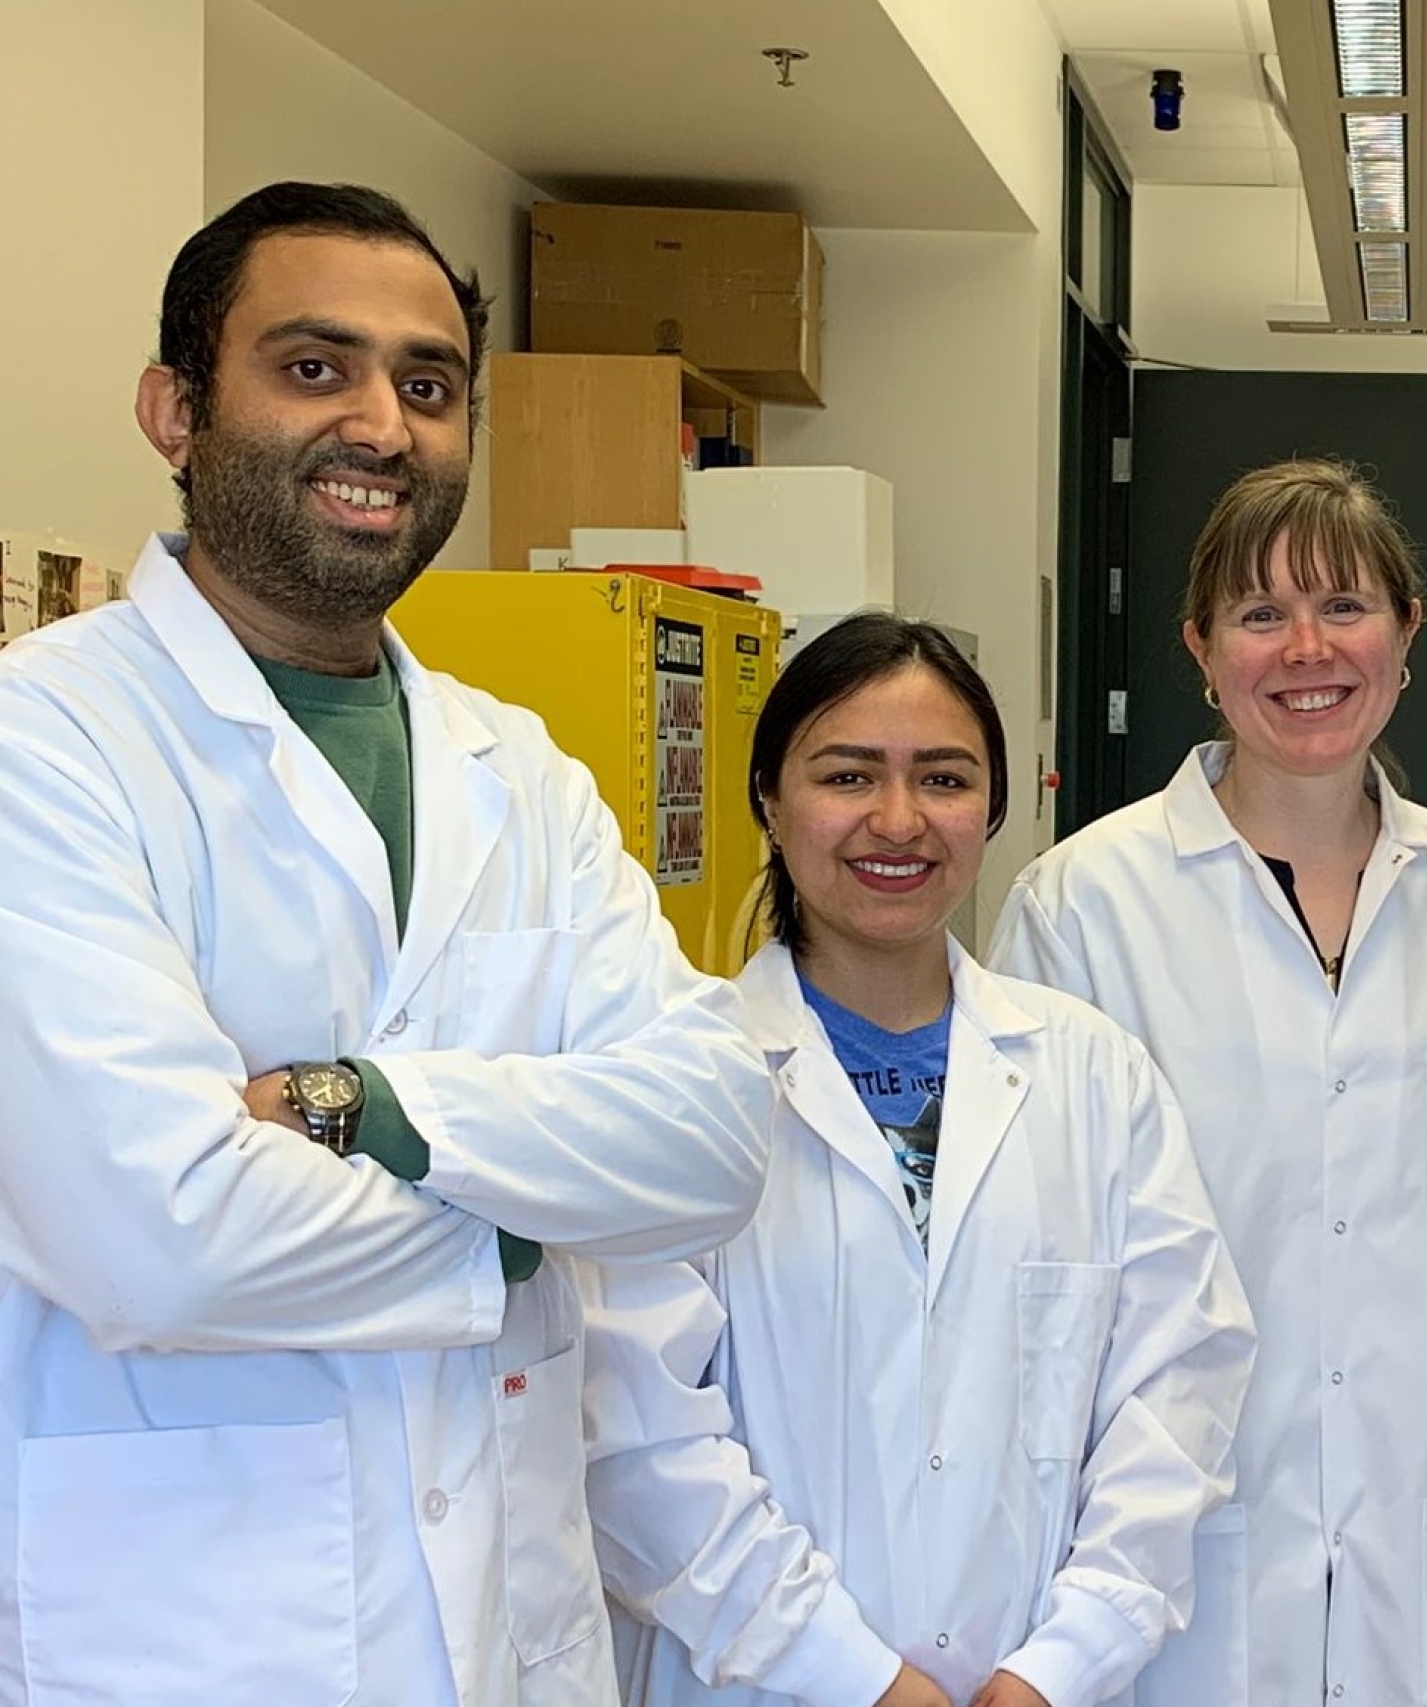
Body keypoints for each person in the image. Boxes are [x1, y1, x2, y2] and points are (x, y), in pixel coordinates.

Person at [0, 182, 774, 1706]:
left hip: (511, 1630)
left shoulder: (523, 774)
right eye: (313, 367)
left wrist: (367, 1109)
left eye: (428, 385)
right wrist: (535, 1222)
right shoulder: (48, 743)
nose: (382, 423)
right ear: (176, 409)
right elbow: (160, 1238)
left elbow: (715, 1130)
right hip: (199, 1638)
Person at [582, 614, 1257, 1707]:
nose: (897, 821)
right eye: (848, 775)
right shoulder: (677, 1080)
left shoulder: (1093, 1077)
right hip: (761, 1683)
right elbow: (639, 1442)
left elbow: (1181, 1391)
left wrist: (1061, 1664)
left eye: (943, 779)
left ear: (993, 808)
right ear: (768, 796)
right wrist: (857, 1678)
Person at [990, 458, 1427, 1706]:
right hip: (1168, 1563)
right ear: (1202, 650)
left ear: (1406, 633)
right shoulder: (1081, 911)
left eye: (1345, 605)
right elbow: (1033, 1277)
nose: (1307, 648)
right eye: (1260, 614)